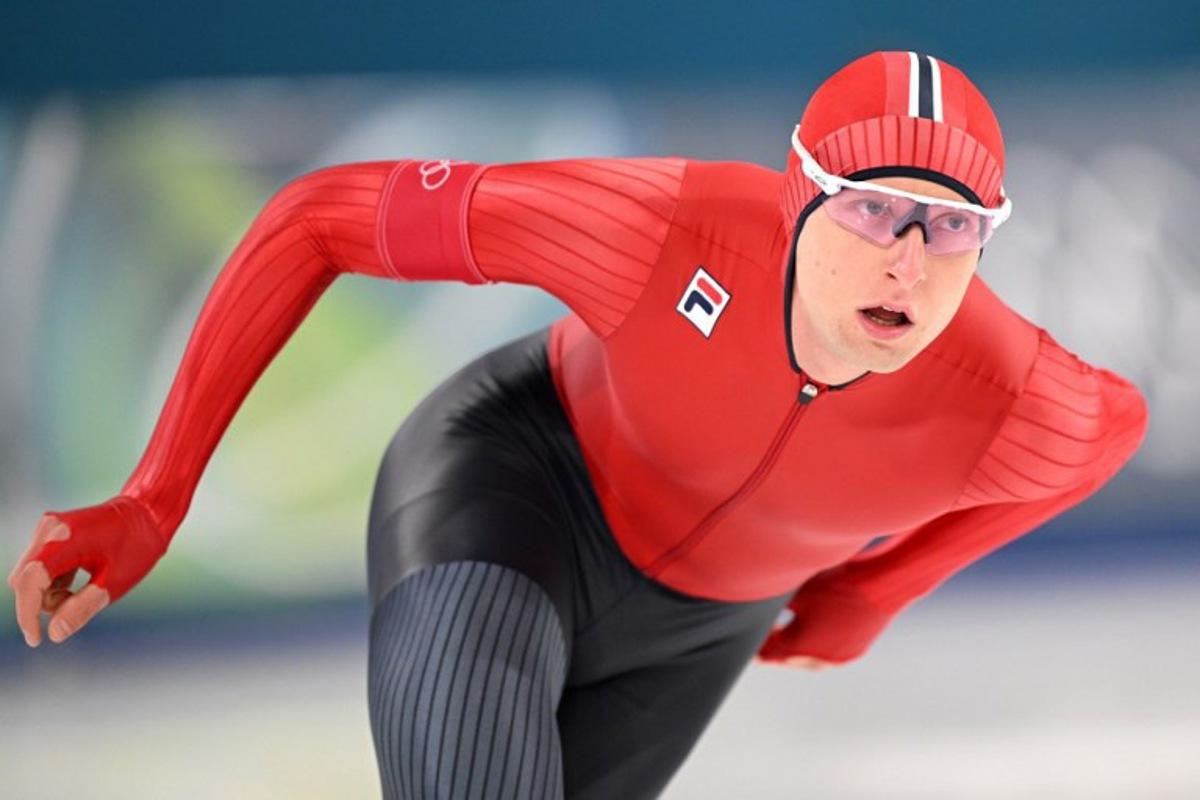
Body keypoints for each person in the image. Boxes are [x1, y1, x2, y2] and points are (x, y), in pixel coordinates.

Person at [8, 50, 1148, 799]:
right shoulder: (661, 229)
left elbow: (1109, 438)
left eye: (948, 229)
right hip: (515, 496)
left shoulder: (1021, 399)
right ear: (799, 193)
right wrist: (155, 493)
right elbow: (319, 218)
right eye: (871, 208)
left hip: (700, 630)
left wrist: (874, 590)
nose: (905, 256)